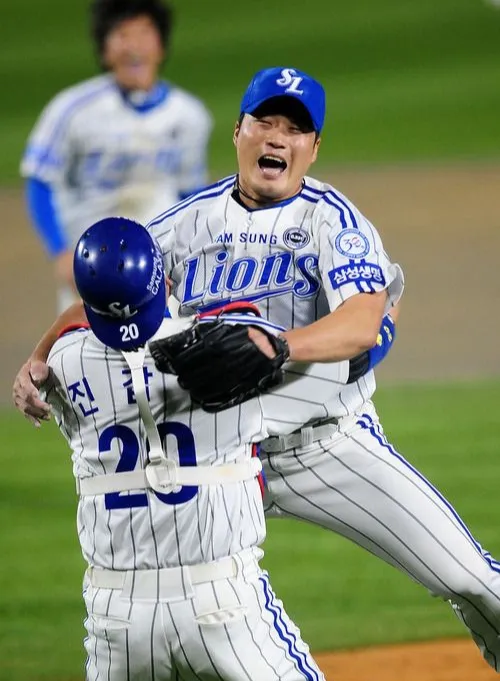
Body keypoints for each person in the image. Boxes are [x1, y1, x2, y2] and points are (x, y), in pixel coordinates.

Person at [14, 65, 500, 672]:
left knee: (470, 577)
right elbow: (108, 294)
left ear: (313, 148)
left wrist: (279, 349)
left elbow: (364, 323)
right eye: (265, 121)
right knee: (181, 602)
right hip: (215, 454)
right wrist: (39, 356)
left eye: (295, 129)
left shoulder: (330, 220)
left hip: (323, 446)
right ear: (238, 132)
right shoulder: (185, 222)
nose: (277, 137)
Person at [43, 216, 326, 681]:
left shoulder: (61, 364)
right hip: (221, 604)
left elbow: (73, 340)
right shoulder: (228, 346)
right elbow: (278, 344)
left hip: (116, 619)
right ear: (166, 281)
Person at [21, 0, 212, 313]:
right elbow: (40, 180)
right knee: (83, 343)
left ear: (161, 45)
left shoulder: (189, 115)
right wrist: (60, 251)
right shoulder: (72, 110)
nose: (134, 46)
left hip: (160, 262)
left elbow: (191, 195)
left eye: (144, 33)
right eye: (122, 35)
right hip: (90, 265)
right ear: (104, 51)